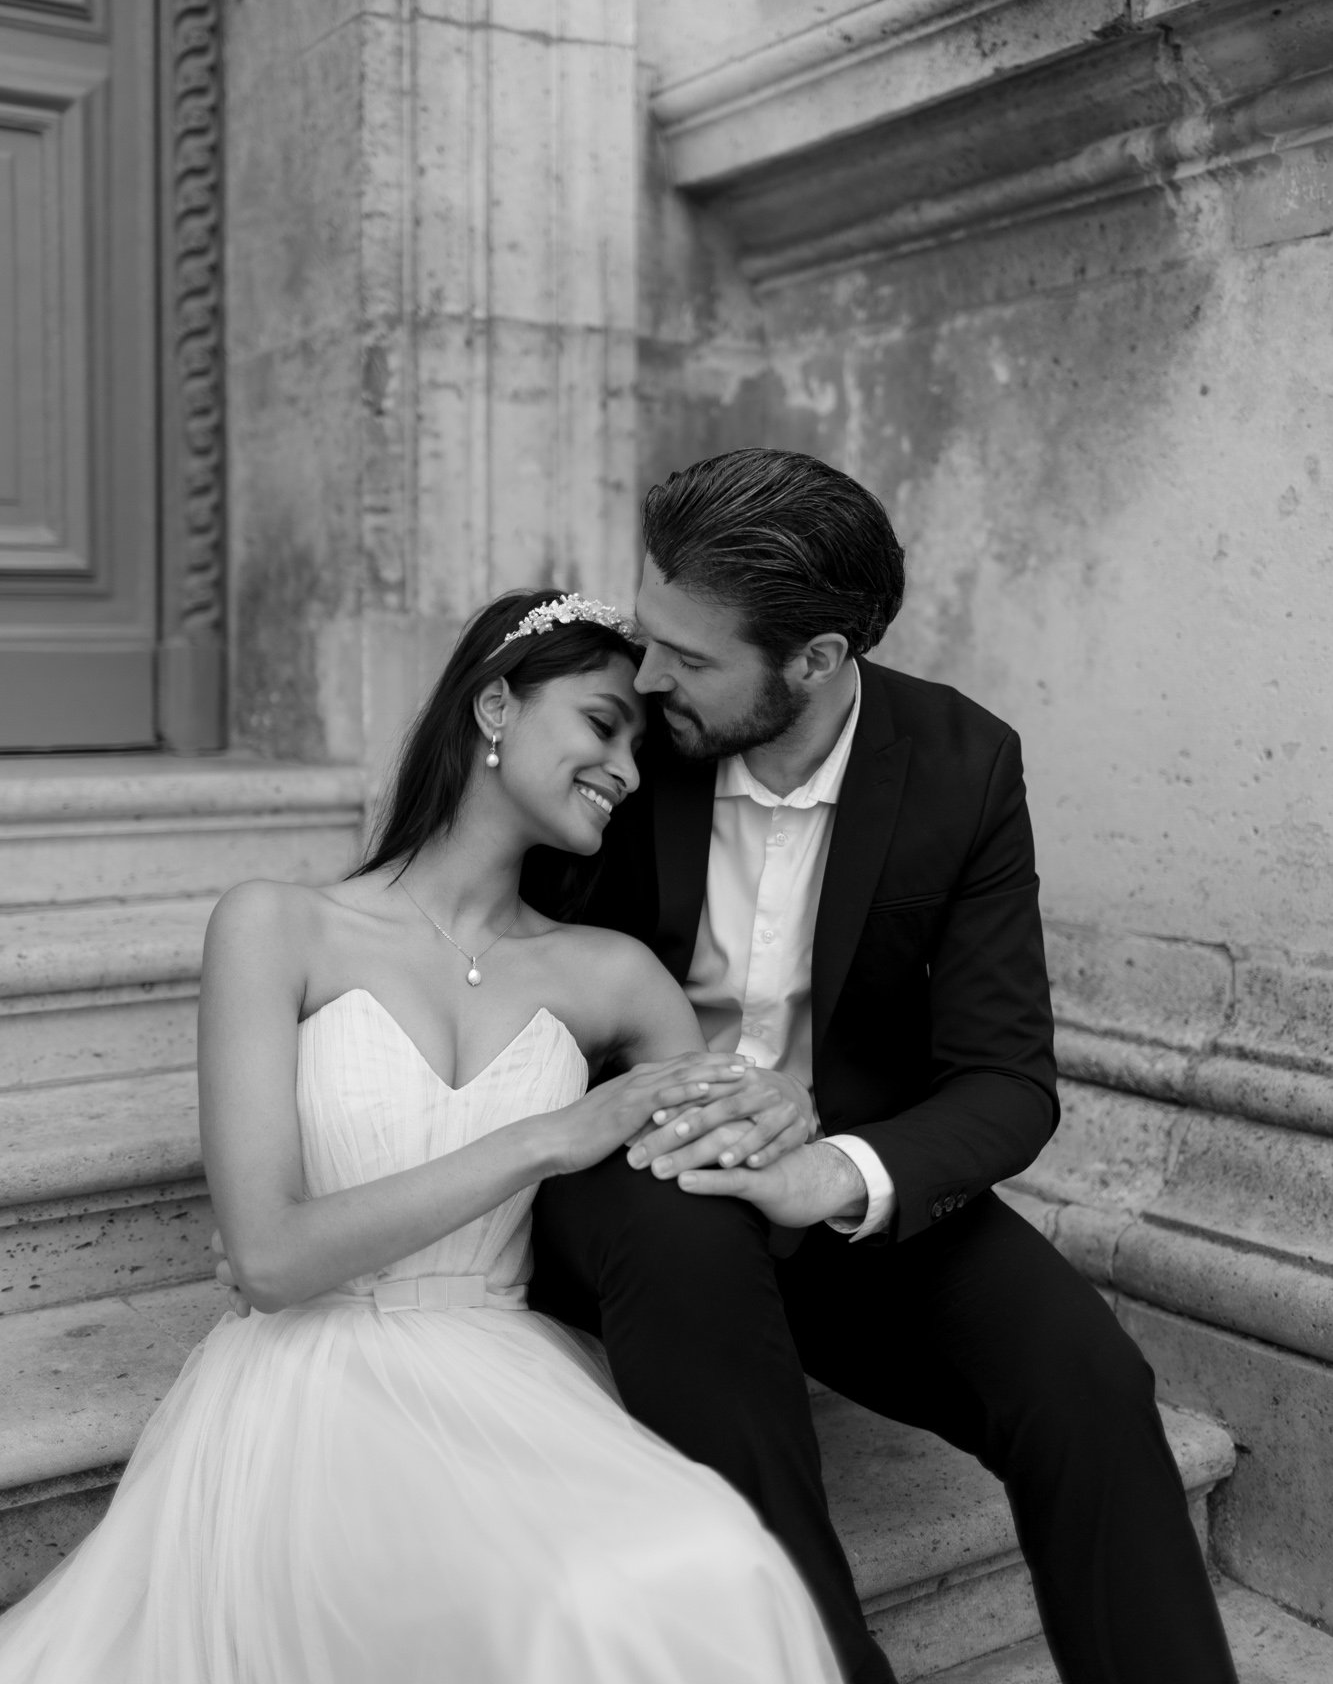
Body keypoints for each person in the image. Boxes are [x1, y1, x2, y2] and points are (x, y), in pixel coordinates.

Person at [0, 591, 842, 1684]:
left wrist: (791, 1111)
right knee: (559, 1610)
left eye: (641, 742)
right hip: (315, 1386)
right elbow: (269, 1257)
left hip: (513, 1368)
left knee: (718, 1560)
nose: (628, 769)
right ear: (495, 702)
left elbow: (723, 1187)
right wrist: (551, 1134)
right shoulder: (278, 923)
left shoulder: (615, 973)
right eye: (601, 723)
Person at [526, 448, 1241, 1684]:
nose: (647, 679)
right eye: (652, 637)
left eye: (691, 659)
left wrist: (832, 1175)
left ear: (816, 658)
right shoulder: (618, 736)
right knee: (695, 1272)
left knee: (1087, 1383)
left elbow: (1006, 1076)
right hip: (639, 1170)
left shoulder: (962, 763)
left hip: (846, 1178)